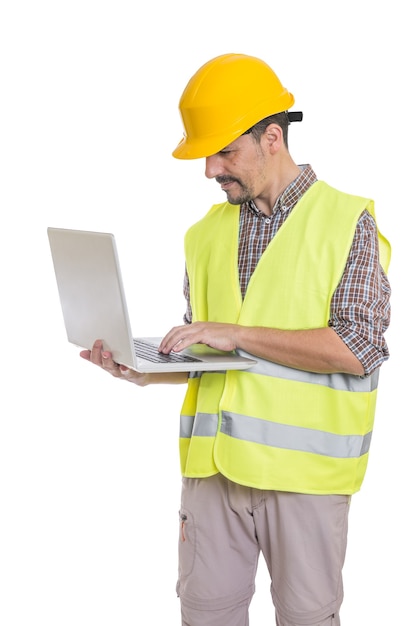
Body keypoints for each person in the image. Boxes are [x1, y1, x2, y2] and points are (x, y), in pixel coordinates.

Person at [80, 53, 391, 626]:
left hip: (305, 483)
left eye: (225, 152)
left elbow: (360, 347)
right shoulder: (203, 234)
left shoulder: (348, 222)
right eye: (207, 154)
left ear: (272, 138)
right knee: (206, 616)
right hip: (212, 475)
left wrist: (237, 332)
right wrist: (142, 368)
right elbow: (210, 355)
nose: (210, 170)